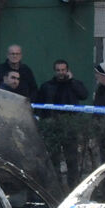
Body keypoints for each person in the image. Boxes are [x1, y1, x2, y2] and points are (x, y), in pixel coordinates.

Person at [36, 59, 89, 188]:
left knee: (72, 160)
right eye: (58, 70)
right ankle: (57, 188)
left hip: (69, 127)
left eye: (63, 70)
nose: (61, 73)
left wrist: (71, 81)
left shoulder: (74, 84)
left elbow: (83, 95)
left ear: (67, 70)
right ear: (55, 71)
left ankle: (73, 188)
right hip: (53, 127)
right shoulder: (47, 86)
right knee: (54, 160)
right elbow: (40, 106)